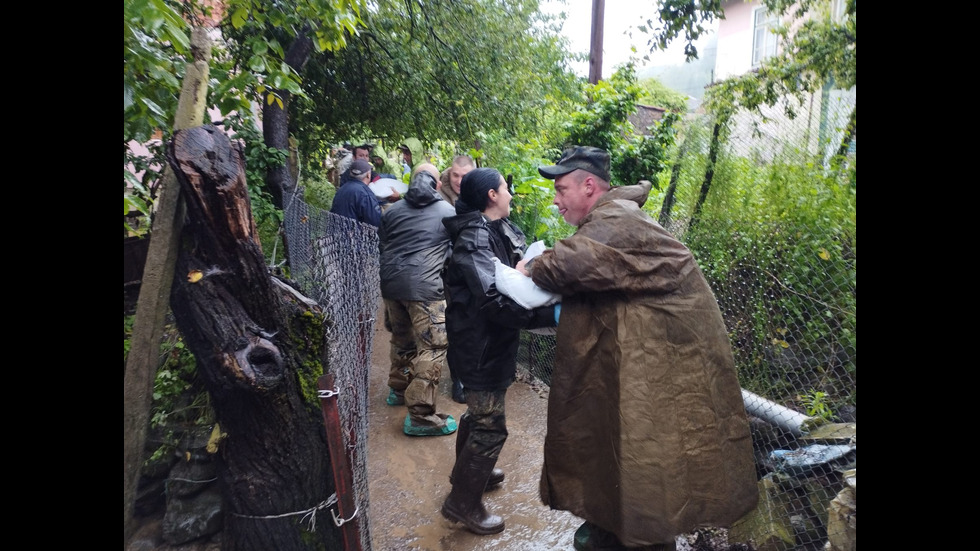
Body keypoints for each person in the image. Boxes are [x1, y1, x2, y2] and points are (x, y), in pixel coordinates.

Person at [519, 146, 759, 551]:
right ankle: (611, 526)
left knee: (648, 462)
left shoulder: (616, 218)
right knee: (617, 446)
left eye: (561, 189)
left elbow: (567, 264)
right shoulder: (609, 218)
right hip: (642, 364)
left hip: (660, 370)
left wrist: (529, 266)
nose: (556, 200)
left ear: (589, 186)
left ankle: (639, 536)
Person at [440, 167, 558, 536]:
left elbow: (511, 270)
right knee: (490, 427)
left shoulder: (497, 228)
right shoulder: (474, 237)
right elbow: (491, 298)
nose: (510, 194)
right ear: (492, 195)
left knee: (479, 416)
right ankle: (463, 502)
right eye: (506, 188)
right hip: (480, 345)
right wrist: (546, 315)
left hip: (490, 341)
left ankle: (470, 473)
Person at [378, 163, 459, 437]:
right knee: (433, 346)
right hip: (424, 288)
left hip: (392, 285)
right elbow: (453, 252)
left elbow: (384, 244)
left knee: (402, 339)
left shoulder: (392, 211)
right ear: (438, 185)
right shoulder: (449, 212)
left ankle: (397, 390)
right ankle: (421, 416)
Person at [437, 154, 476, 402]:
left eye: (464, 176)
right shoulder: (439, 193)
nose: (459, 181)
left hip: (475, 263)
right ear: (449, 174)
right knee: (456, 323)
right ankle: (458, 379)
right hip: (449, 265)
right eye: (455, 175)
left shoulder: (481, 187)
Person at [329, 159, 381, 227]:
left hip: (337, 233)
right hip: (355, 235)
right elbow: (375, 222)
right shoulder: (365, 194)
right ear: (368, 175)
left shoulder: (341, 189)